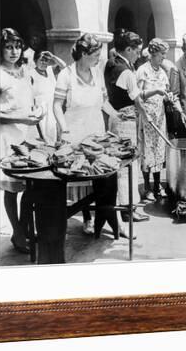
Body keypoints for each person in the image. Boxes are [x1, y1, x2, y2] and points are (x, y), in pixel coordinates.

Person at [53, 33, 126, 238]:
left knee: (106, 174)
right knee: (82, 175)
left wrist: (118, 115)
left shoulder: (97, 72)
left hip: (95, 129)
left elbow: (103, 102)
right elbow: (57, 105)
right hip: (74, 131)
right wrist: (64, 130)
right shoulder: (66, 74)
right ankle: (87, 218)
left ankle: (114, 220)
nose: (98, 58)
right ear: (84, 53)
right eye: (95, 54)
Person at [0, 28, 43, 253]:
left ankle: (24, 227)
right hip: (8, 137)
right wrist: (20, 118)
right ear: (1, 49)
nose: (14, 51)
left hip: (27, 136)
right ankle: (17, 233)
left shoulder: (25, 71)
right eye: (8, 47)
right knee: (11, 188)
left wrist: (38, 112)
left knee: (31, 185)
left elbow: (33, 98)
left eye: (17, 46)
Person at [105, 30, 155, 222]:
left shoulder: (111, 64)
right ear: (128, 49)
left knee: (119, 163)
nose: (138, 55)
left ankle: (123, 207)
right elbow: (137, 101)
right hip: (126, 122)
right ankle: (128, 209)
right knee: (128, 165)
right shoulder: (126, 71)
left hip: (115, 119)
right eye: (136, 51)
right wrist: (147, 117)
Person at [137, 38, 175, 201]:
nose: (163, 57)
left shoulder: (162, 72)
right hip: (146, 117)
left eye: (165, 55)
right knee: (147, 150)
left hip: (160, 116)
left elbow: (165, 91)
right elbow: (137, 95)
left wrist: (169, 97)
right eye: (161, 54)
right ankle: (147, 187)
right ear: (152, 53)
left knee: (159, 150)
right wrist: (155, 91)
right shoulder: (142, 70)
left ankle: (158, 184)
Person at [26, 49, 67, 145]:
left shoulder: (50, 70)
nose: (44, 63)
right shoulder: (30, 74)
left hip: (53, 107)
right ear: (35, 61)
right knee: (45, 137)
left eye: (46, 60)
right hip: (41, 108)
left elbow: (64, 66)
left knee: (57, 135)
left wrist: (52, 57)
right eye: (41, 60)